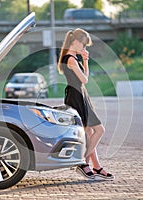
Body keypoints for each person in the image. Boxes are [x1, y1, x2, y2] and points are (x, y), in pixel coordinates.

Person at [57, 28, 114, 180]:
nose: (85, 48)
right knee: (98, 130)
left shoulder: (73, 57)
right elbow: (84, 80)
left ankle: (96, 166)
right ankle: (83, 163)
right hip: (76, 97)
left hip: (81, 95)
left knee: (90, 133)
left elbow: (84, 79)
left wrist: (85, 61)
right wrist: (85, 61)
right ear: (75, 42)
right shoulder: (70, 58)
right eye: (83, 45)